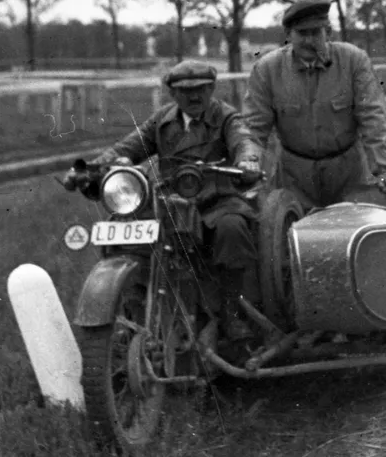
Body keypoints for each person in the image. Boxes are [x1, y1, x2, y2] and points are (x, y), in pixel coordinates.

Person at [93, 60, 263, 336]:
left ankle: (232, 312)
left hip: (217, 200)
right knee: (125, 232)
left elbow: (244, 140)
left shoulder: (227, 117)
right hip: (171, 202)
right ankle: (131, 310)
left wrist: (248, 161)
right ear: (172, 93)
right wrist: (94, 167)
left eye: (201, 89)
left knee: (232, 229)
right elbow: (127, 147)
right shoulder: (162, 121)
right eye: (185, 91)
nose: (195, 96)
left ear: (211, 89)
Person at [244, 0, 386, 209]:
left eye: (316, 33)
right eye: (302, 33)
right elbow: (254, 128)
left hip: (348, 174)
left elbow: (372, 118)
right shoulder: (267, 69)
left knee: (351, 234)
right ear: (288, 35)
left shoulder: (354, 61)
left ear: (328, 33)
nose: (309, 40)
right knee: (291, 236)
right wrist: (249, 162)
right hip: (294, 178)